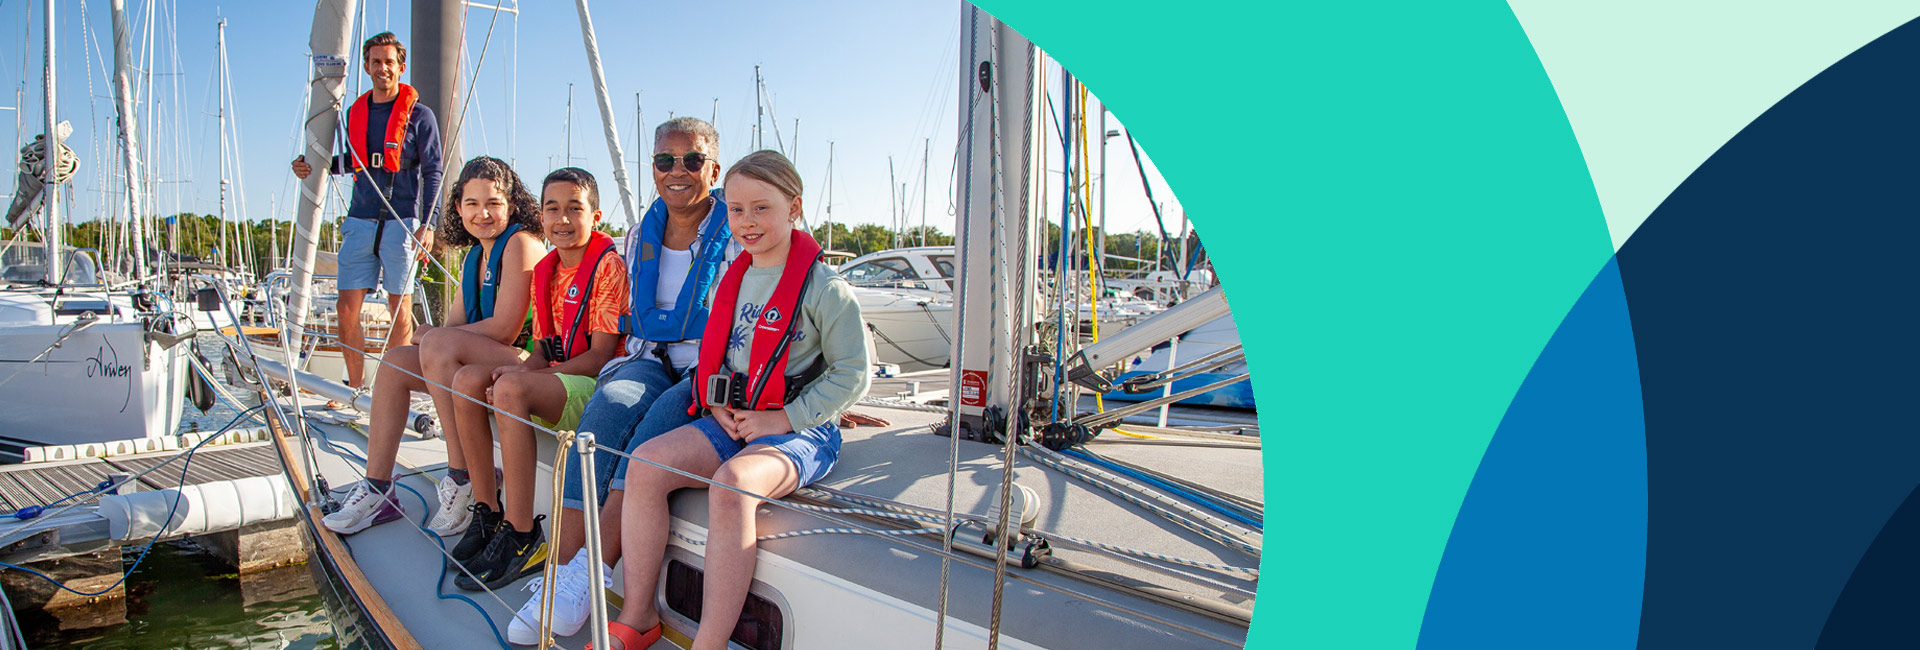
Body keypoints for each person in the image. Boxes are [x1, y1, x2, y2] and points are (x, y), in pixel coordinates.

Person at [599, 151, 869, 650]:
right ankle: (638, 617)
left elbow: (855, 374)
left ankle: (709, 642)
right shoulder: (735, 276)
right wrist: (714, 398)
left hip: (803, 428)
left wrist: (785, 417)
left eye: (762, 208)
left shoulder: (825, 288)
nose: (747, 222)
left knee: (732, 486)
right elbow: (716, 353)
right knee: (644, 464)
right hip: (736, 418)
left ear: (794, 209)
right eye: (737, 209)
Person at [505, 117, 737, 644]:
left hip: (705, 366)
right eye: (664, 160)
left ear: (713, 168)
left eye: (692, 160)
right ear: (652, 168)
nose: (677, 171)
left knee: (649, 433)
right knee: (603, 413)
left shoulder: (737, 228)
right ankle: (559, 577)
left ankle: (589, 574)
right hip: (649, 358)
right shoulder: (639, 234)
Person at [319, 156, 544, 537]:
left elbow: (506, 329)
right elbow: (454, 326)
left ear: (512, 204)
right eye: (472, 204)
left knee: (435, 343)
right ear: (458, 208)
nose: (483, 213)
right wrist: (434, 336)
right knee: (394, 362)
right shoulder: (475, 254)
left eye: (493, 203)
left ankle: (463, 475)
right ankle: (379, 488)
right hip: (484, 354)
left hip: (524, 361)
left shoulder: (520, 244)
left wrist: (435, 336)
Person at [451, 168, 630, 592]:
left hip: (599, 385)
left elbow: (600, 356)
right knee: (467, 380)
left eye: (574, 209)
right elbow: (547, 348)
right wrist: (520, 369)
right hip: (560, 376)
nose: (562, 219)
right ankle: (487, 511)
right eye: (553, 209)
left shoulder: (608, 267)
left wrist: (522, 380)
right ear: (541, 216)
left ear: (596, 216)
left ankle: (523, 534)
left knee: (511, 387)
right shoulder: (547, 270)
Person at [290, 31, 443, 398]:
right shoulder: (355, 112)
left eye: (389, 62)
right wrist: (311, 164)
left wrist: (429, 224)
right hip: (361, 218)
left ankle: (392, 395)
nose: (382, 68)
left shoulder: (420, 116)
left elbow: (433, 169)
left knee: (400, 311)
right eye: (375, 62)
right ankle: (354, 390)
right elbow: (349, 161)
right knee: (346, 308)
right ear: (366, 66)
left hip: (401, 218)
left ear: (400, 67)